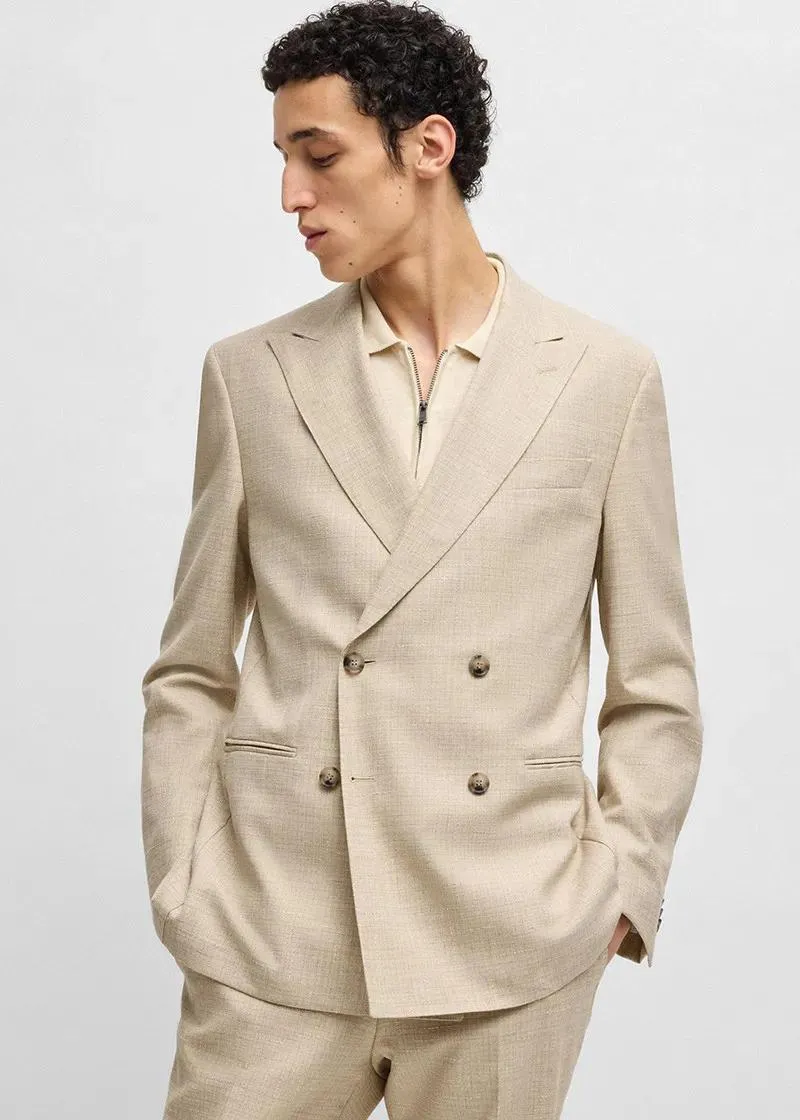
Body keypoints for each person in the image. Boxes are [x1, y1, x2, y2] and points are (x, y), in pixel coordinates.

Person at [140, 2, 703, 1117]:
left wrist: (617, 884)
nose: (290, 196)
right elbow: (191, 666)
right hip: (278, 932)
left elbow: (655, 680)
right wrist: (187, 883)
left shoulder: (602, 377)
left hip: (505, 938)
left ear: (428, 146)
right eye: (282, 159)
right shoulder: (252, 374)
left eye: (320, 156)